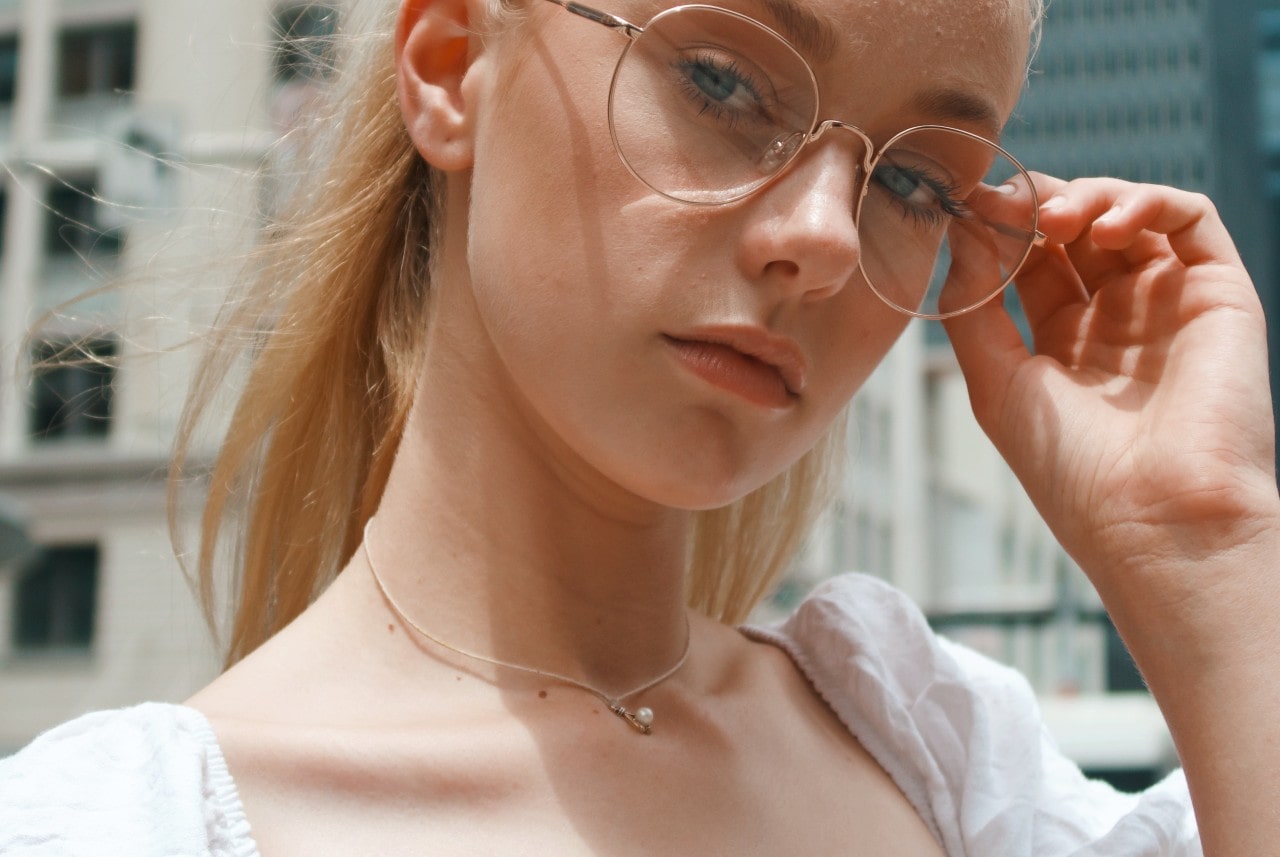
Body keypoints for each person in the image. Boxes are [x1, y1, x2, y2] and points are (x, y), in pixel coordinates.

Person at [2, 0, 1277, 852]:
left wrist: (1206, 549)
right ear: (450, 66)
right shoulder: (120, 822)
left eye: (910, 179)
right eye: (722, 80)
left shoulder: (942, 761)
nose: (824, 239)